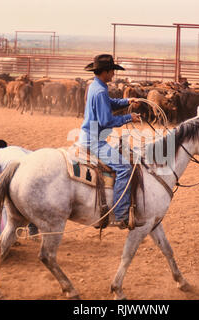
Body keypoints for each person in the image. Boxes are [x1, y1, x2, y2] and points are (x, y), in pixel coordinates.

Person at [79, 54, 141, 229]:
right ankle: (120, 215)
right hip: (94, 141)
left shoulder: (96, 86)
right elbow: (106, 121)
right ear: (105, 71)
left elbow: (109, 103)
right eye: (112, 70)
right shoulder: (99, 91)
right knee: (124, 168)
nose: (114, 74)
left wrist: (126, 101)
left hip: (90, 136)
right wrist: (129, 117)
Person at [0, 139, 38, 235]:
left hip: (17, 175)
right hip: (34, 170)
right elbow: (35, 154)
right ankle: (33, 225)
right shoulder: (16, 148)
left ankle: (10, 230)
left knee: (9, 203)